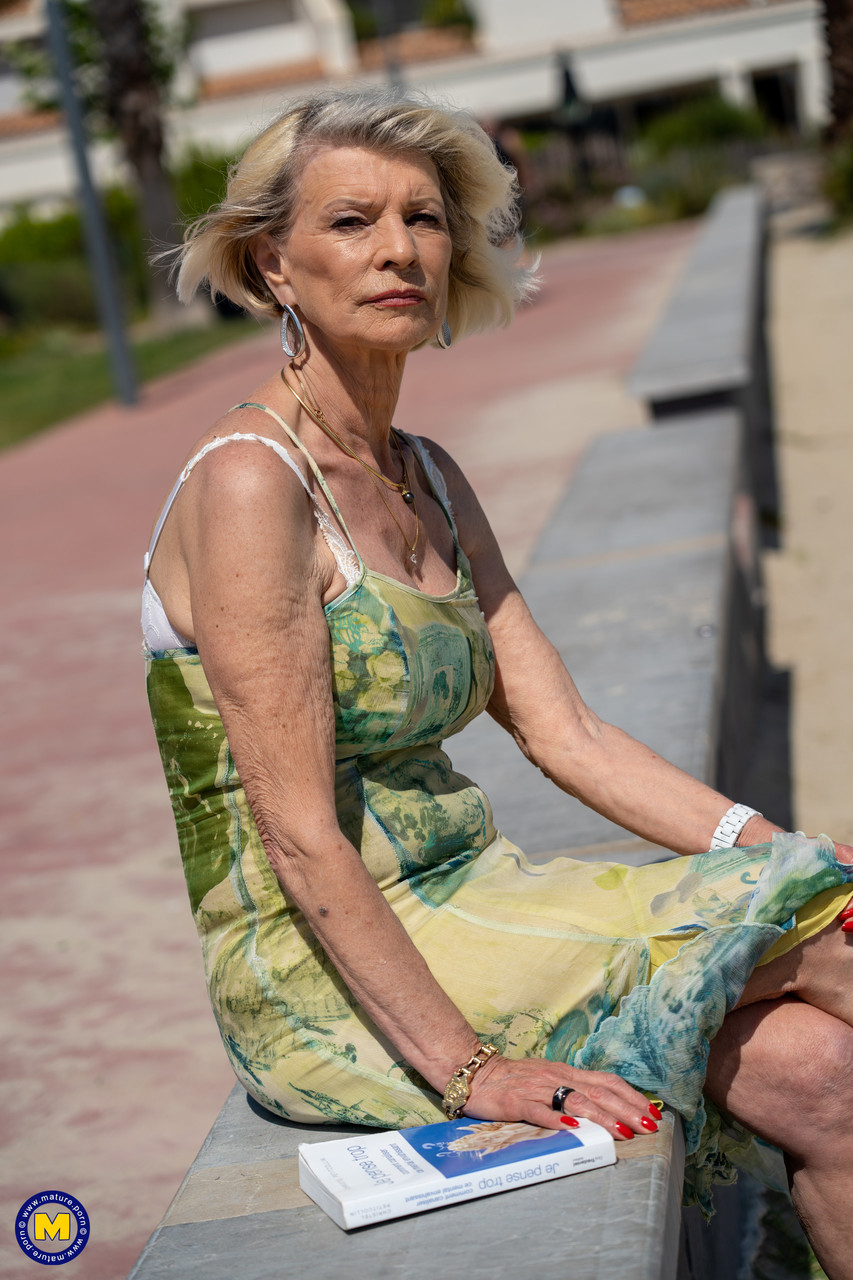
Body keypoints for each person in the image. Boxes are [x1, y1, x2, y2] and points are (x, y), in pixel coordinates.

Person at [142, 89, 853, 1277]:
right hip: (323, 968)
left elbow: (567, 732)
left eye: (422, 219)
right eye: (352, 221)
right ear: (273, 264)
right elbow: (298, 832)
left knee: (821, 1072)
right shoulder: (251, 482)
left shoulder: (424, 471)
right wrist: (472, 1070)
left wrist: (778, 851)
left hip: (477, 895)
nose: (398, 249)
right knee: (835, 940)